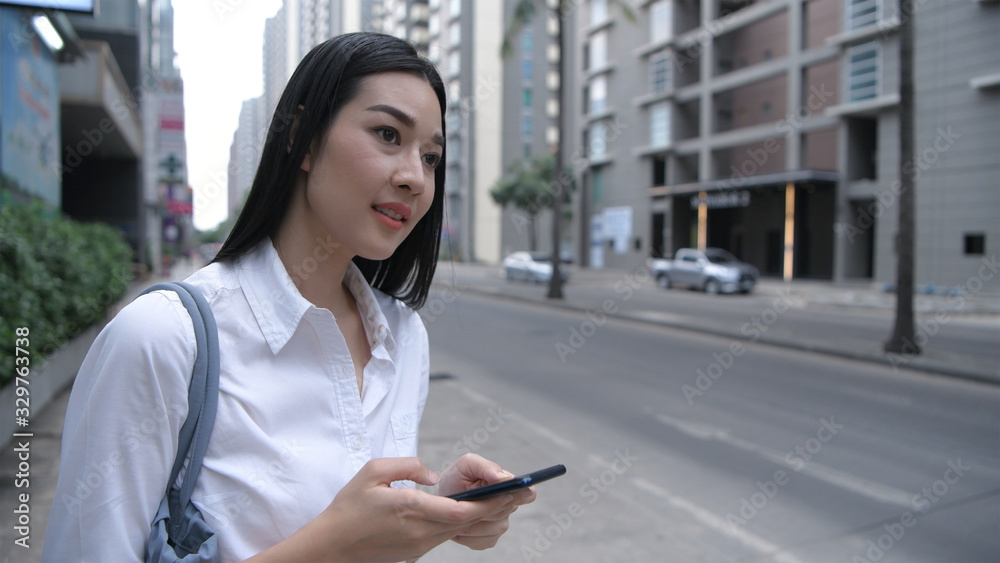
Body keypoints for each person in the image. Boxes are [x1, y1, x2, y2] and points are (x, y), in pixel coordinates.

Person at [43, 32, 535, 562]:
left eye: (432, 157)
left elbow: (366, 526)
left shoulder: (402, 335)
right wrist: (335, 543)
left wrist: (435, 508)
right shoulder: (162, 337)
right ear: (302, 139)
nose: (416, 177)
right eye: (388, 134)